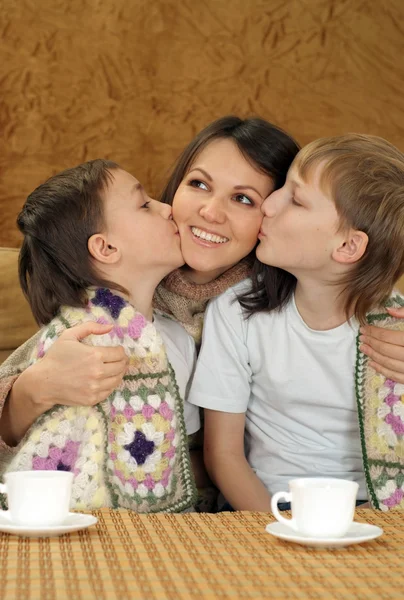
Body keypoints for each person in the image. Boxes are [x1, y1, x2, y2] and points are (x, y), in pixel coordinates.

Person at [2, 117, 404, 496]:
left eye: (245, 199)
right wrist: (34, 389)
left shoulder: (277, 300)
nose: (211, 212)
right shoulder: (118, 297)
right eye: (198, 184)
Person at [189, 133, 404, 512]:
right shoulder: (237, 313)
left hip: (379, 511)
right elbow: (223, 456)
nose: (268, 204)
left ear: (348, 247)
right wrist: (278, 530)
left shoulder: (395, 330)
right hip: (268, 512)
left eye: (296, 199)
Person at [1, 159, 198, 512]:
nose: (168, 208)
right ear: (105, 248)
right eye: (145, 205)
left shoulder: (180, 334)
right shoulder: (75, 341)